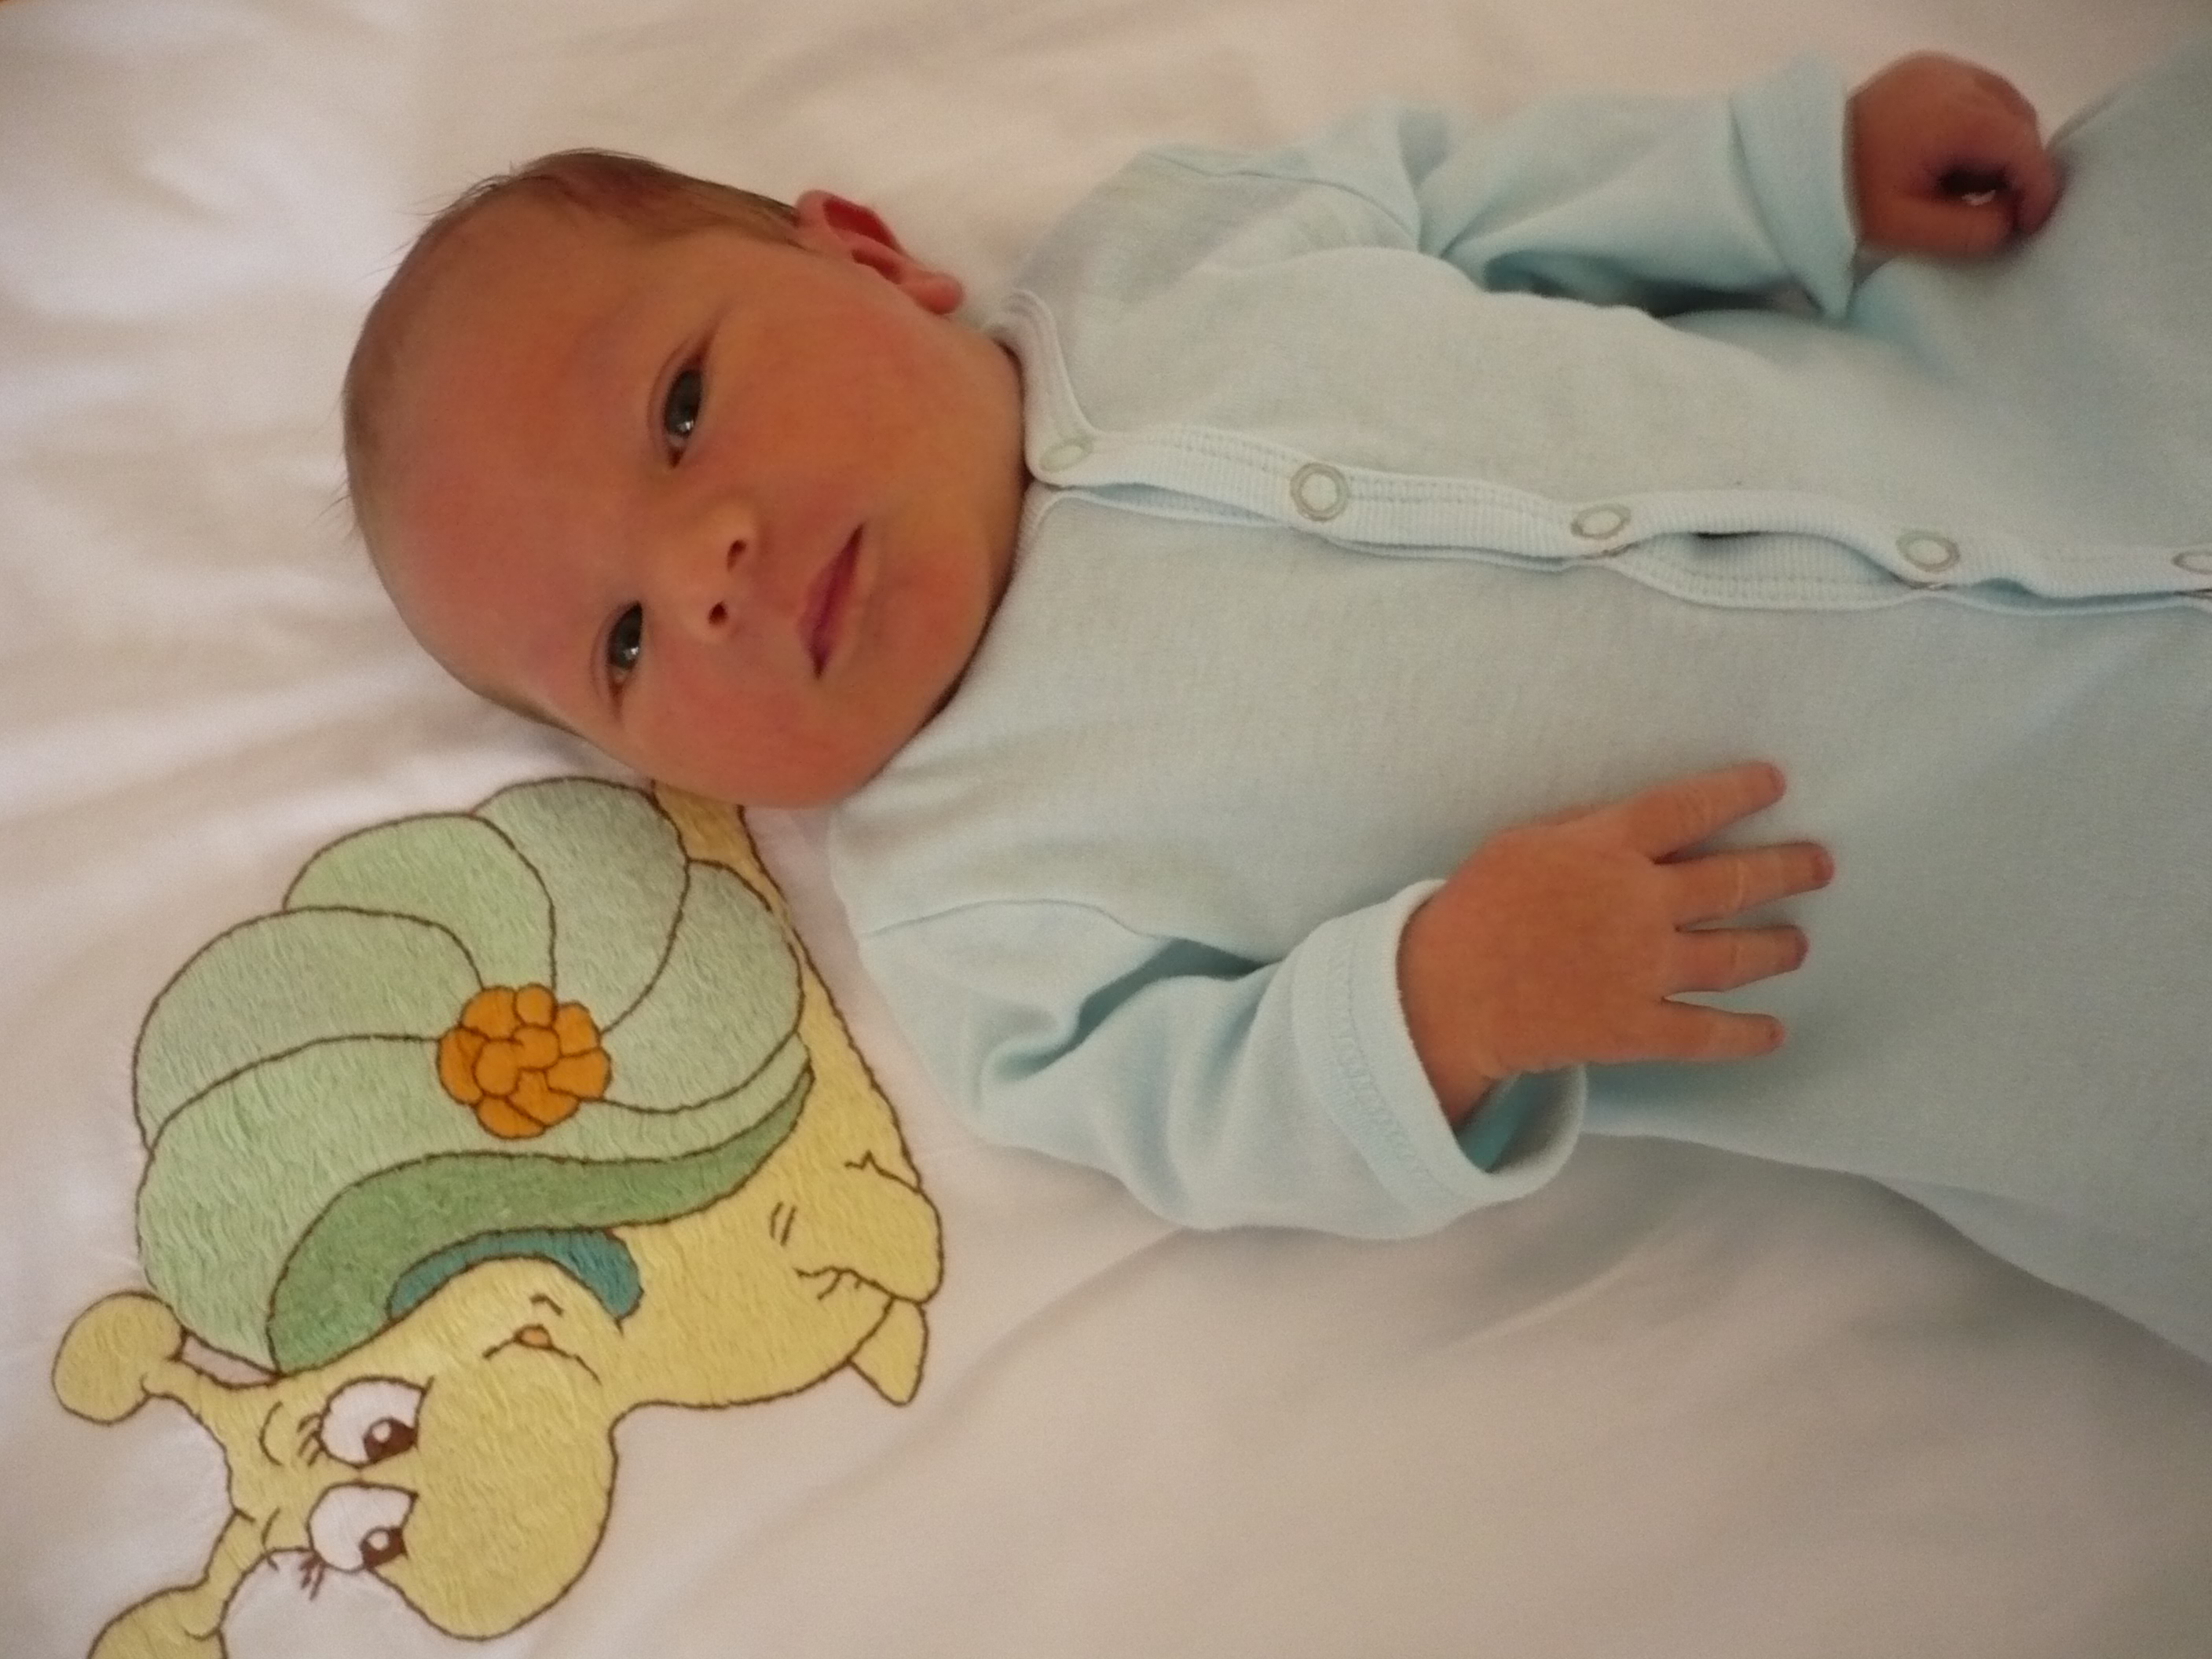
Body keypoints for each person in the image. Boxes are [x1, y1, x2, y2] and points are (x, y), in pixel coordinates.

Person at [342, 38, 2212, 1359]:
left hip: (2051, 372)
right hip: (2055, 957)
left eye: (682, 410)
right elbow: (1209, 1107)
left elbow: (1501, 203)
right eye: (623, 649)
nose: (705, 572)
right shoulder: (979, 911)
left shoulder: (1180, 243)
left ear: (863, 253)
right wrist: (1444, 1004)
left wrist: (1789, 178)